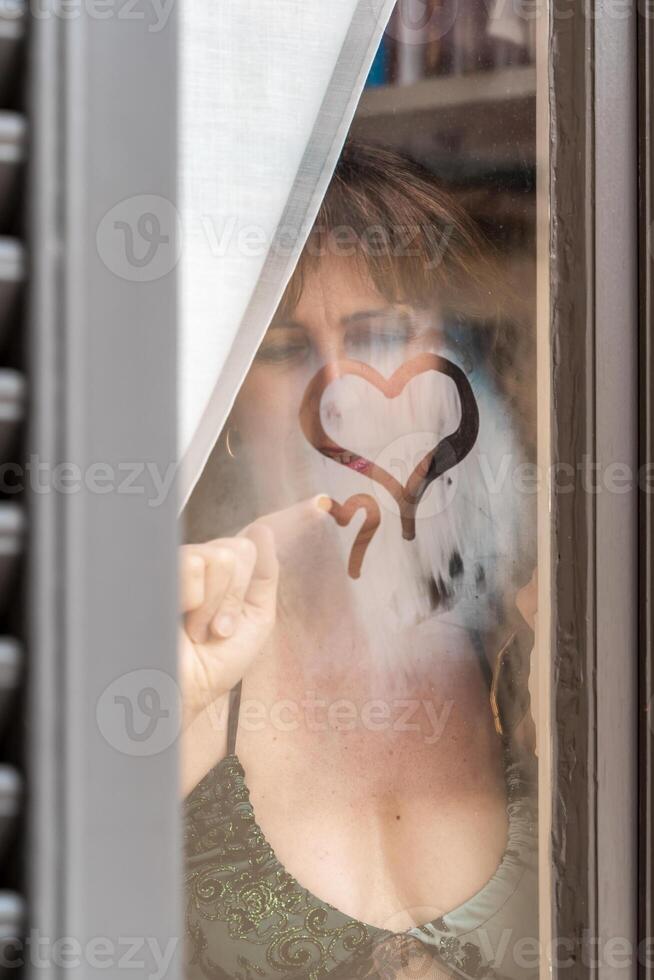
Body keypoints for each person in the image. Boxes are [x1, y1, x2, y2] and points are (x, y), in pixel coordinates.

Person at [181, 140, 538, 980]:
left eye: (378, 334)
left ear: (457, 371)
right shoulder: (185, 654)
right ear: (232, 407)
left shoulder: (534, 637)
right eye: (281, 350)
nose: (337, 386)